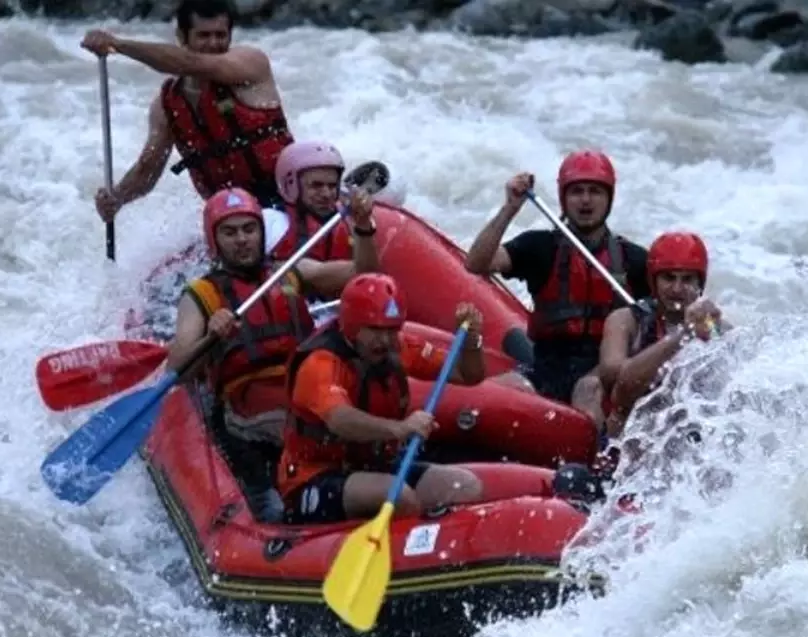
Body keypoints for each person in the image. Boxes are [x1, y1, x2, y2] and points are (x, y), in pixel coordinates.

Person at [164, 186, 379, 521]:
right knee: (310, 426)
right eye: (230, 232)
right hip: (248, 409)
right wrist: (209, 335)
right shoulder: (200, 296)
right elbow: (176, 369)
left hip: (309, 386)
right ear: (214, 240)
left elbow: (364, 275)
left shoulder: (291, 270)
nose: (242, 240)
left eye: (249, 230)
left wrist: (364, 227)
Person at [277, 274, 488, 524]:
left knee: (465, 487)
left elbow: (468, 374)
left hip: (372, 465)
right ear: (353, 325)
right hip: (314, 476)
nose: (385, 341)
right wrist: (400, 429)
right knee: (398, 496)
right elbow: (340, 420)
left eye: (392, 330)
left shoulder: (397, 348)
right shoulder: (320, 363)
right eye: (375, 331)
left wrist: (472, 340)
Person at [464, 150, 650, 430]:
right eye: (577, 191)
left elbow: (667, 312)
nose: (586, 200)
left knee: (588, 391)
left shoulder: (634, 260)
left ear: (608, 198)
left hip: (600, 372)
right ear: (563, 198)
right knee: (480, 399)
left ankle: (594, 463)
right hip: (546, 367)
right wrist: (510, 208)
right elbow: (476, 263)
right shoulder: (540, 247)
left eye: (595, 192)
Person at [81, 0, 295, 223]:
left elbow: (190, 63)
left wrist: (118, 45)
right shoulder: (167, 105)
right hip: (230, 220)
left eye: (220, 35)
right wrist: (117, 198)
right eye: (203, 36)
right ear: (182, 38)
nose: (213, 44)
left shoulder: (250, 64)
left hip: (285, 204)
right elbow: (147, 170)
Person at [597, 231, 728, 440]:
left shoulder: (713, 327)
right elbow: (616, 384)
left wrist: (713, 333)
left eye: (687, 279)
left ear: (699, 285)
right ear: (653, 280)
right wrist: (683, 335)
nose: (677, 288)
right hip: (628, 440)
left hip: (687, 438)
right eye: (668, 277)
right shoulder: (626, 321)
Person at [270, 140, 380, 319]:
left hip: (332, 314)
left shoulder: (349, 221)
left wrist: (363, 224)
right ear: (291, 184)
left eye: (332, 186)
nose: (327, 194)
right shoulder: (273, 221)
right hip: (291, 319)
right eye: (316, 185)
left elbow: (370, 278)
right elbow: (362, 274)